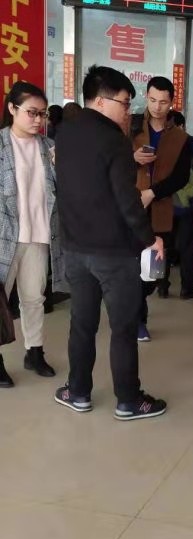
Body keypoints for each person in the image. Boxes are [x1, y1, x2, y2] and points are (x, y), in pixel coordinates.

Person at [54, 65, 167, 421]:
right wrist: (150, 239)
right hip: (114, 253)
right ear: (101, 101)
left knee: (81, 324)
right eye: (125, 103)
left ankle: (78, 392)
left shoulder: (64, 133)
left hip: (75, 250)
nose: (128, 111)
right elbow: (127, 200)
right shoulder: (114, 140)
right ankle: (128, 401)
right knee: (123, 327)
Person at [0, 81, 62, 388]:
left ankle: (34, 352)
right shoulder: (1, 145)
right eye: (32, 112)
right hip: (4, 236)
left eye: (43, 113)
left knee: (34, 298)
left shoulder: (49, 147)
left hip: (38, 234)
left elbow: (59, 190)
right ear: (12, 108)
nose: (38, 119)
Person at [131, 76, 189, 339]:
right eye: (153, 100)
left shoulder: (180, 138)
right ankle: (136, 320)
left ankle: (137, 311)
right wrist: (132, 158)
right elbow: (111, 161)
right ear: (146, 96)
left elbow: (181, 177)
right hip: (130, 210)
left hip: (160, 212)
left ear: (172, 102)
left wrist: (152, 192)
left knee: (153, 272)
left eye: (163, 102)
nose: (157, 106)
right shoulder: (130, 126)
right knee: (131, 268)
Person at [162, 110, 193, 300]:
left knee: (164, 246)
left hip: (165, 203)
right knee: (188, 247)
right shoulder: (190, 141)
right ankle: (187, 288)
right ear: (182, 125)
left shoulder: (160, 141)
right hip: (188, 204)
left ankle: (162, 286)